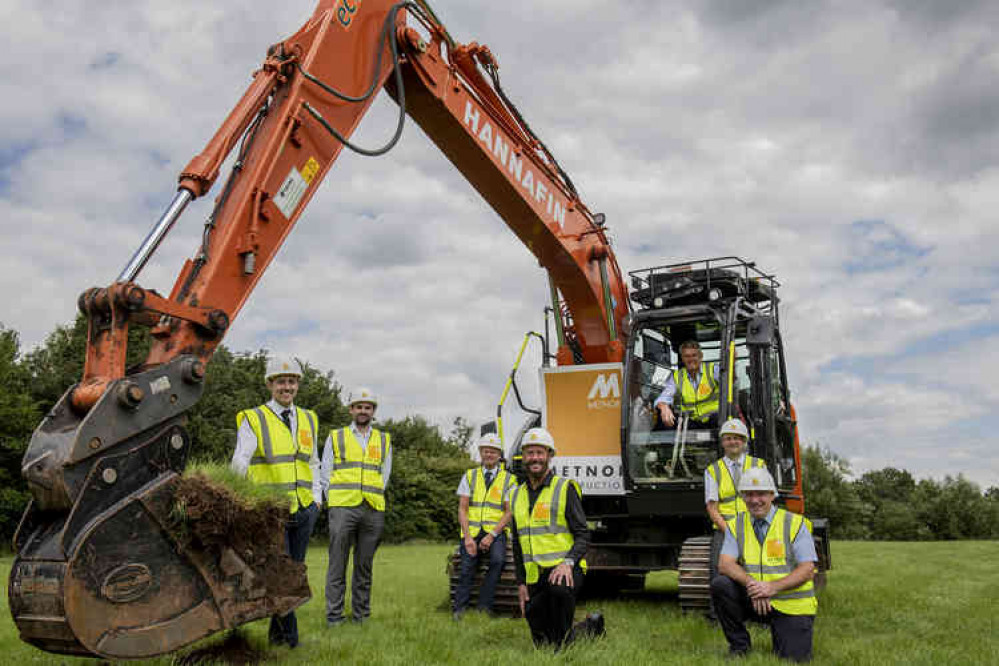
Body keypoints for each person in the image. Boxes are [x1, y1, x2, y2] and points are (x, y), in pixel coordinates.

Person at [232, 356, 321, 648]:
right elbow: (240, 461)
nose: (287, 386)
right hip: (271, 511)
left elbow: (314, 461)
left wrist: (317, 500)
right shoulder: (253, 418)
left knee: (293, 571)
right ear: (270, 384)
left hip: (305, 508)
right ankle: (291, 639)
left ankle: (276, 636)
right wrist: (239, 498)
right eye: (281, 381)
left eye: (292, 381)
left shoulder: (309, 418)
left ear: (297, 385)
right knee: (280, 572)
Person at [510, 427, 603, 650]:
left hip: (565, 571)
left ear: (549, 456)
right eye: (530, 453)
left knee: (558, 644)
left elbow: (583, 534)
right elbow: (516, 543)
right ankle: (591, 624)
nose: (535, 458)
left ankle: (577, 633)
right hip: (536, 576)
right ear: (523, 457)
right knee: (541, 641)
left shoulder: (564, 488)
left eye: (540, 453)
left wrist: (567, 563)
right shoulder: (516, 494)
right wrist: (521, 583)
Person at [712, 467, 818, 662]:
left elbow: (807, 569)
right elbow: (725, 564)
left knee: (793, 659)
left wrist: (771, 588)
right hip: (754, 598)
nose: (754, 500)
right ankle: (739, 646)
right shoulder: (736, 525)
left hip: (789, 602)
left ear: (772, 495)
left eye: (761, 494)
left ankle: (783, 632)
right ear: (742, 497)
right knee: (721, 584)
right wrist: (755, 586)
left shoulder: (795, 523)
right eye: (749, 494)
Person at [321, 387, 392, 627]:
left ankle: (361, 616)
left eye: (368, 407)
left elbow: (385, 474)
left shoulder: (383, 439)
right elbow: (325, 472)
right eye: (359, 406)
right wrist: (332, 501)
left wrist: (373, 495)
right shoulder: (336, 436)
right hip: (342, 507)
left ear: (373, 412)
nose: (363, 411)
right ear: (351, 410)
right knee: (337, 565)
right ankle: (334, 617)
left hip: (372, 508)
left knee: (364, 566)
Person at [453, 432, 516, 619]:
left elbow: (509, 512)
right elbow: (462, 509)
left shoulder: (509, 479)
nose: (489, 455)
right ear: (481, 453)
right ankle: (459, 609)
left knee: (498, 561)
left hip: (495, 531)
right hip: (471, 531)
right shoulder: (470, 476)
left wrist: (491, 536)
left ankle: (484, 606)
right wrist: (468, 538)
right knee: (466, 566)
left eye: (493, 452)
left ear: (499, 455)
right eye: (486, 451)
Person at [705, 419, 766, 533]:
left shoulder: (759, 465)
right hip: (725, 530)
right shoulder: (712, 470)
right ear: (723, 443)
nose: (732, 442)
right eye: (728, 439)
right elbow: (712, 508)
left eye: (736, 438)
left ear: (743, 442)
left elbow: (766, 502)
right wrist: (730, 533)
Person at [654, 340, 720, 429]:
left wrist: (733, 367)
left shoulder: (713, 370)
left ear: (701, 356)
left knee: (720, 419)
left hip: (714, 419)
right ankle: (658, 442)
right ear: (682, 358)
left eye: (694, 355)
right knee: (664, 420)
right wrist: (664, 406)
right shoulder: (677, 376)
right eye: (687, 356)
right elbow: (664, 396)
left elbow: (731, 384)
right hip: (690, 423)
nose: (691, 359)